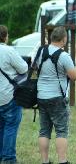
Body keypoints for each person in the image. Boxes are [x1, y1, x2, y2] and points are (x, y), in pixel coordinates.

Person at [37, 26, 76, 164]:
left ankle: (45, 161)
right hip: (57, 97)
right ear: (64, 39)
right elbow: (74, 76)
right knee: (61, 131)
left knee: (44, 131)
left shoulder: (40, 51)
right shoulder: (64, 56)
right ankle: (62, 161)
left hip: (41, 96)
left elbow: (35, 69)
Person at [0, 25, 28, 164]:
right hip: (8, 95)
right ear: (5, 36)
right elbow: (24, 68)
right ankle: (9, 158)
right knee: (10, 126)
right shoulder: (8, 50)